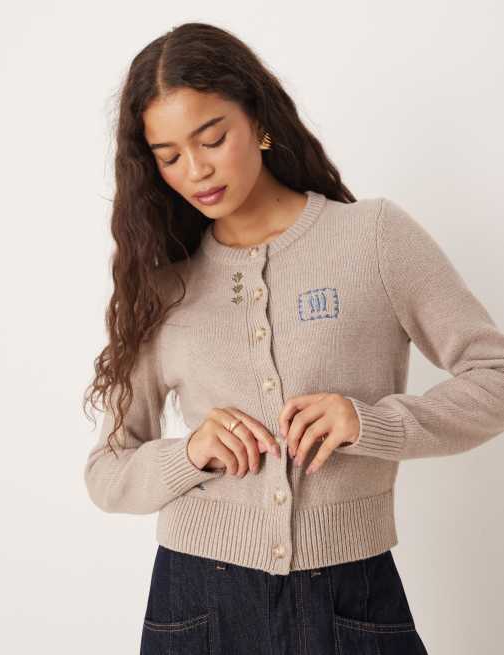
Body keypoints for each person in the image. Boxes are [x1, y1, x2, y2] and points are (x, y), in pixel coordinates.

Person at [82, 22, 504, 655]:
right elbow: (107, 472)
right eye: (169, 157)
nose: (196, 170)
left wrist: (369, 423)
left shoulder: (374, 238)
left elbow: (494, 376)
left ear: (257, 119)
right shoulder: (166, 285)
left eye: (212, 138)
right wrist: (190, 452)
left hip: (350, 592)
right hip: (195, 601)